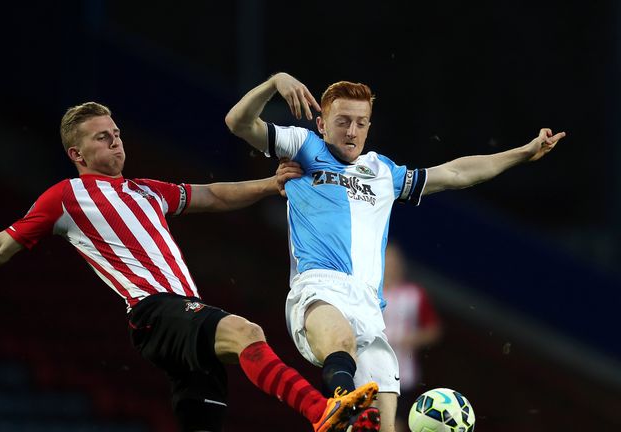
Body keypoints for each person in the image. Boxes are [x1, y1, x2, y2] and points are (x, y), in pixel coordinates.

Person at [0, 102, 381, 432]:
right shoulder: (65, 196)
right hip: (156, 312)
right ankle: (323, 411)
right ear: (76, 153)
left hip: (178, 319)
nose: (115, 141)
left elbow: (209, 194)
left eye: (116, 132)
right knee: (246, 331)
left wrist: (269, 186)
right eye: (101, 137)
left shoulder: (143, 190)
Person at [224, 71, 565, 432]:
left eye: (360, 123)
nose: (352, 131)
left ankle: (355, 416)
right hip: (318, 288)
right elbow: (238, 122)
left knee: (385, 428)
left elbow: (456, 173)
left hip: (370, 307)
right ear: (322, 124)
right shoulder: (304, 148)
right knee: (340, 344)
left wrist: (522, 153)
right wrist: (274, 82)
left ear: (369, 126)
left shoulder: (383, 172)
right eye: (342, 122)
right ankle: (344, 403)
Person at [381, 243, 441, 432]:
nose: (391, 265)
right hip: (369, 371)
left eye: (394, 261)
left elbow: (434, 330)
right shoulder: (369, 291)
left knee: (393, 425)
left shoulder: (414, 294)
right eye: (387, 260)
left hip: (402, 375)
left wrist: (411, 339)